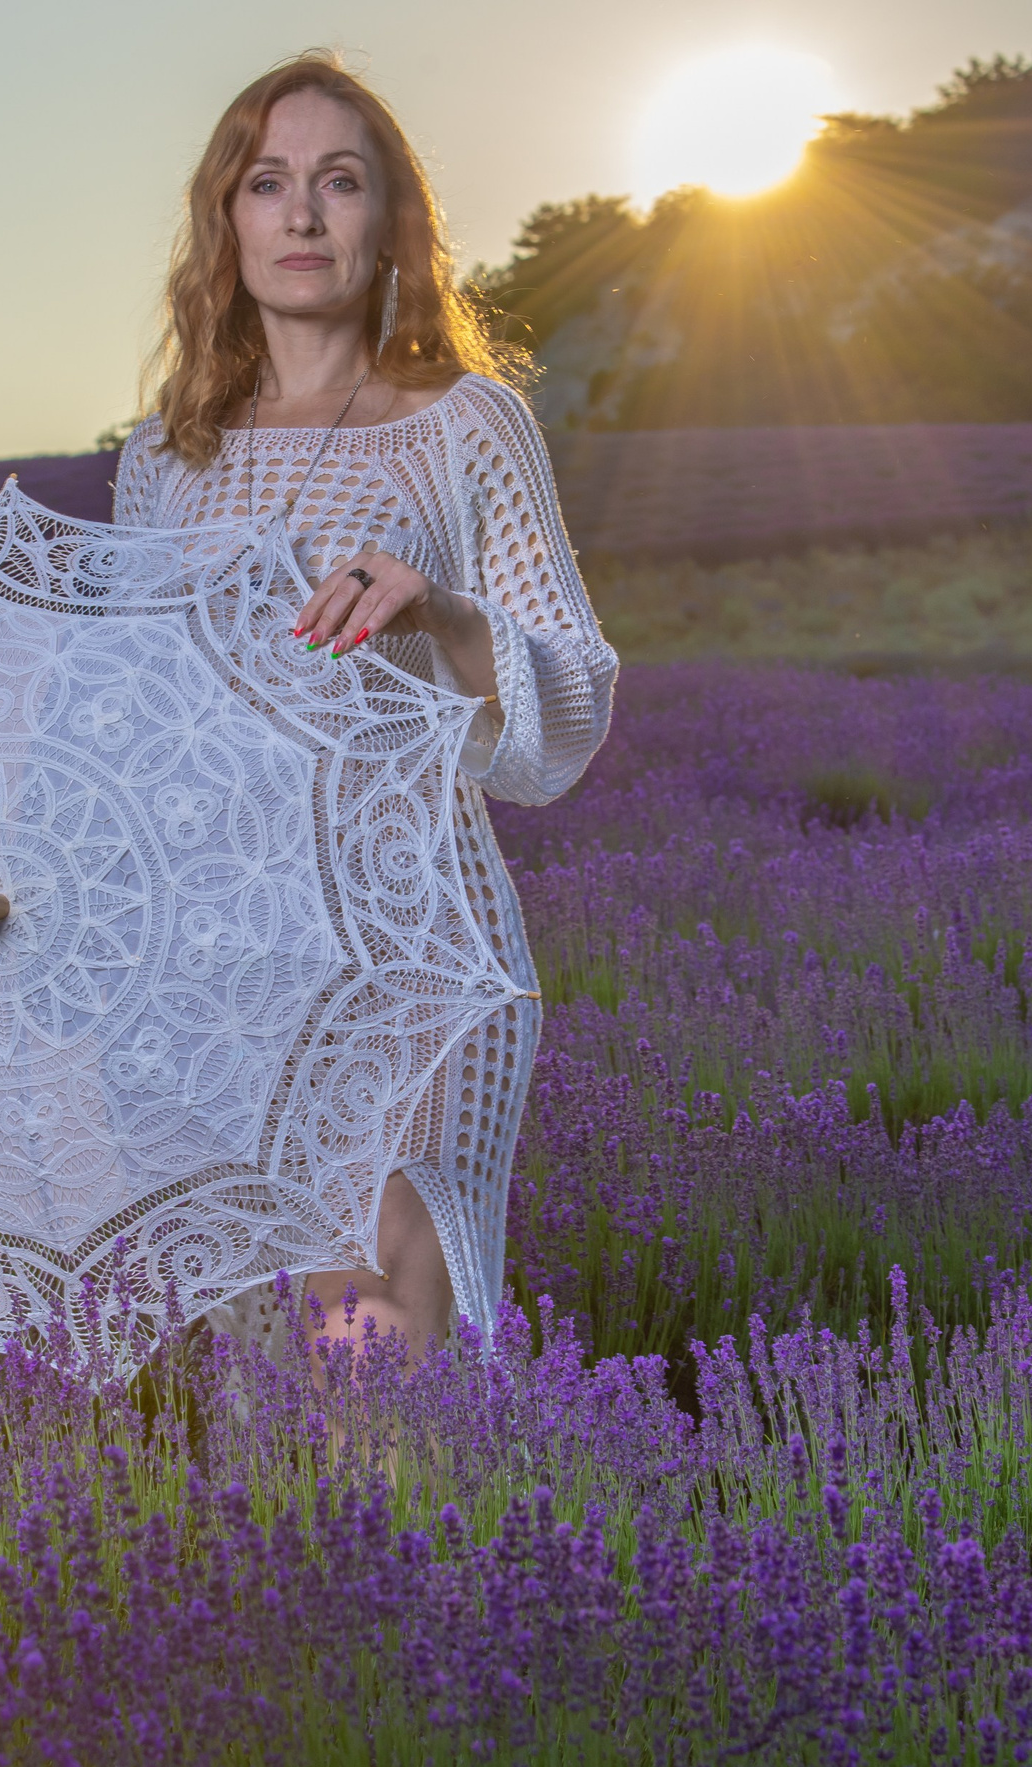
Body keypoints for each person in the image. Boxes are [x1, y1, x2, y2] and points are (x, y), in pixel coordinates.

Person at [113, 52, 616, 1368]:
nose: (301, 214)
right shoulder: (163, 464)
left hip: (412, 940)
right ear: (226, 220)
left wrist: (445, 614)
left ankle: (451, 1571)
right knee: (265, 1371)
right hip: (218, 948)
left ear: (390, 218)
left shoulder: (466, 428)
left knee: (387, 1343)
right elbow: (132, 722)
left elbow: (571, 699)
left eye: (339, 181)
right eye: (266, 182)